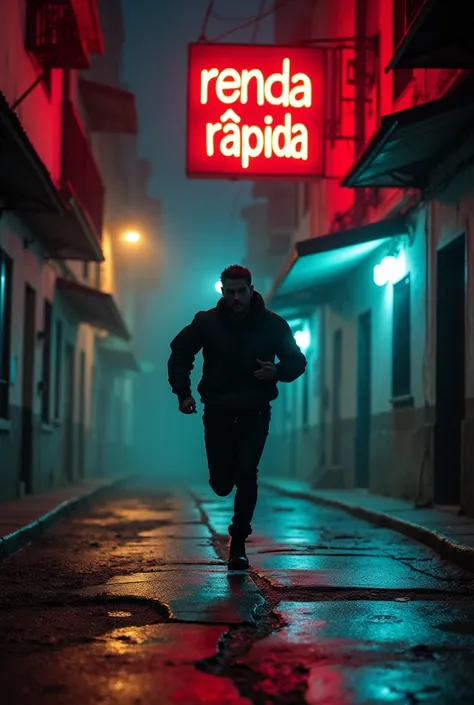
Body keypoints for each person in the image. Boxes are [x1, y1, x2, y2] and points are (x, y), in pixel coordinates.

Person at [167, 265, 307, 570]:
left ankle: (238, 545)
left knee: (246, 474)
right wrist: (183, 393)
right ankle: (224, 484)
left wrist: (278, 372)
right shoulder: (206, 322)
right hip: (217, 410)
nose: (235, 298)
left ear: (251, 289)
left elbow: (297, 360)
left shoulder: (272, 325)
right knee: (221, 484)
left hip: (255, 411)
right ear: (222, 291)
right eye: (229, 292)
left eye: (241, 291)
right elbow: (180, 351)